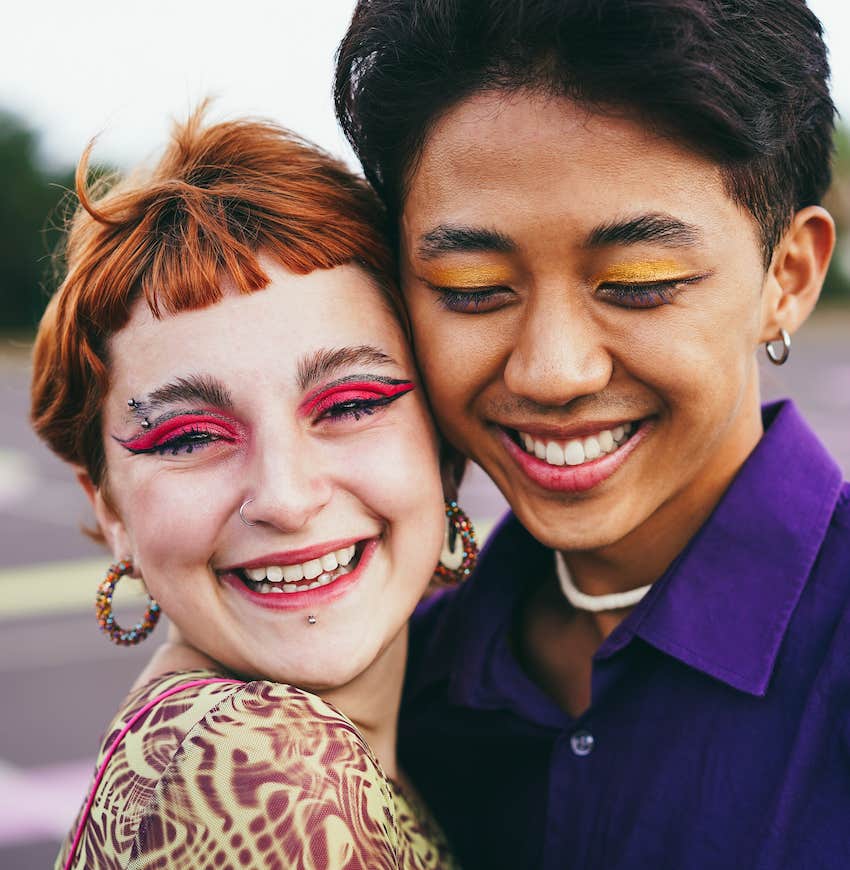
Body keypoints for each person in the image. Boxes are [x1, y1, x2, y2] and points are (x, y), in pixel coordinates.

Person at [334, 1, 850, 868]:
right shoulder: (394, 667)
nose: (551, 371)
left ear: (786, 277)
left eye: (640, 282)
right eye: (471, 287)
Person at [31, 109, 466, 869]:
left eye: (351, 404)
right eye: (189, 438)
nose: (286, 497)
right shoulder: (258, 766)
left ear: (443, 441)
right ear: (109, 509)